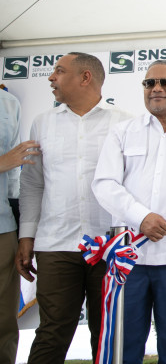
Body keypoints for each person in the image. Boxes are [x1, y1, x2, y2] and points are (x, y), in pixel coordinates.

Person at [92, 60, 166, 364]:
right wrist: (140, 218)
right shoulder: (122, 133)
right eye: (149, 83)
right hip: (129, 258)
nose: (156, 88)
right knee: (125, 346)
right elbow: (104, 183)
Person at [16, 52, 131, 363]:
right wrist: (27, 236)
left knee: (108, 333)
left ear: (85, 77)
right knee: (52, 333)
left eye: (59, 71)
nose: (51, 77)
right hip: (55, 244)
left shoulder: (126, 123)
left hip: (109, 245)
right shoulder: (42, 123)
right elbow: (33, 184)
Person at [1, 88, 39, 363]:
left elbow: (15, 172)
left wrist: (22, 232)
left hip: (4, 226)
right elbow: (6, 162)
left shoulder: (8, 103)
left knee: (4, 320)